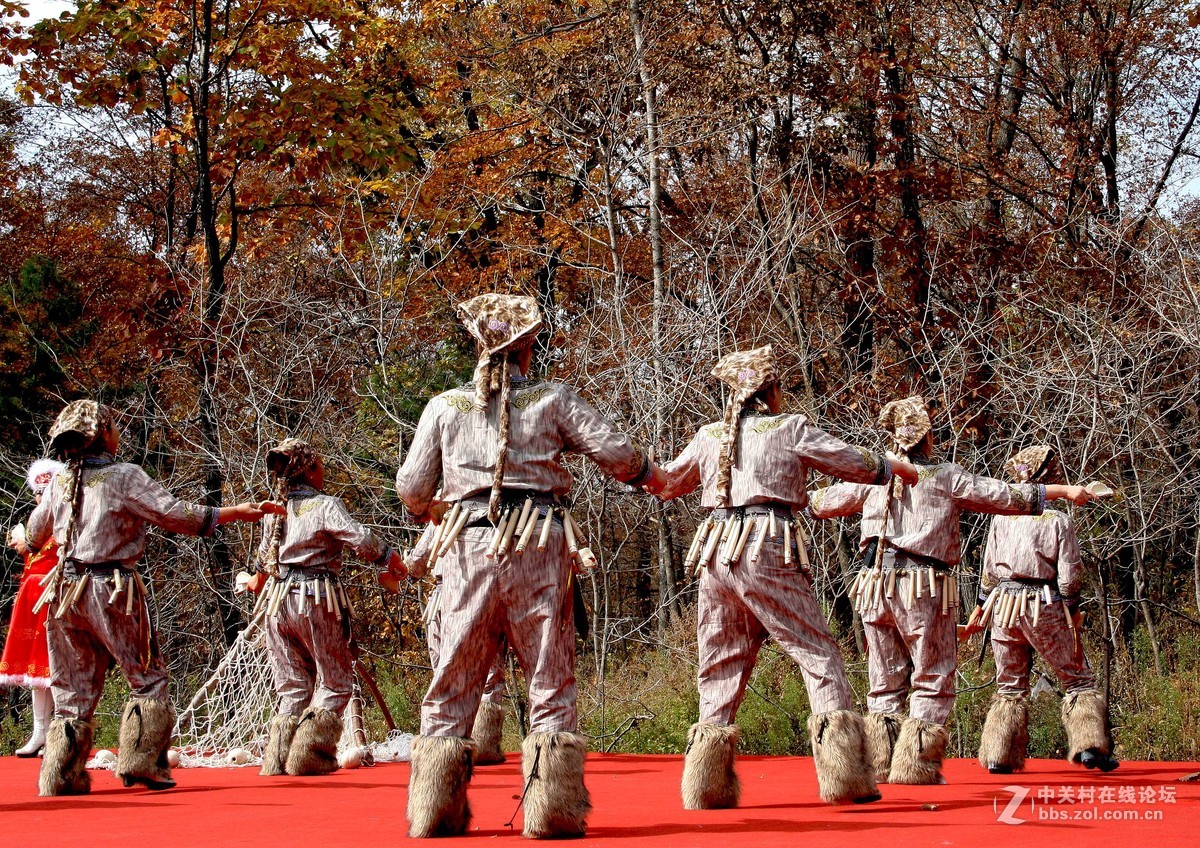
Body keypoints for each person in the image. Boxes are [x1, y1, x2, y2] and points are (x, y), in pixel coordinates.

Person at [395, 293, 663, 839]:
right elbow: (615, 453)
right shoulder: (553, 399)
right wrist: (648, 474)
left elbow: (410, 488)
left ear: (478, 344)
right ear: (526, 346)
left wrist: (439, 509)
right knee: (549, 675)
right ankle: (552, 812)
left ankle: (433, 812)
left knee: (453, 677)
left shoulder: (444, 407)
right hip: (538, 545)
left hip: (466, 546)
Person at [657, 346, 918, 809]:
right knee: (816, 651)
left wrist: (630, 465)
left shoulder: (709, 435)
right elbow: (848, 460)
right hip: (765, 542)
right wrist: (891, 466)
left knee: (721, 659)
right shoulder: (788, 427)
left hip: (715, 547)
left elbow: (667, 482)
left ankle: (705, 784)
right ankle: (845, 777)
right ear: (769, 390)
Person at [808, 396, 1094, 785]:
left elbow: (822, 504)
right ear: (926, 437)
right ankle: (914, 769)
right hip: (923, 586)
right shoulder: (944, 476)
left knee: (885, 678)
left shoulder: (875, 476)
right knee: (933, 674)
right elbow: (1005, 496)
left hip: (873, 585)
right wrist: (1063, 491)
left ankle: (881, 763)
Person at [24, 400, 278, 796]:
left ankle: (60, 774)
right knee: (146, 676)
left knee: (71, 691)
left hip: (63, 593)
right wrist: (236, 512)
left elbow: (33, 535)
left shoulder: (60, 481)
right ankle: (143, 763)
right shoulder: (123, 477)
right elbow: (177, 515)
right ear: (103, 434)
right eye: (114, 426)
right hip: (112, 590)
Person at [246, 438, 405, 777]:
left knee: (292, 685)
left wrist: (254, 581)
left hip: (277, 603)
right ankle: (309, 753)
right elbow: (360, 539)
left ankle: (276, 759)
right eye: (320, 464)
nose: (324, 470)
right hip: (315, 599)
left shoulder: (274, 510)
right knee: (335, 683)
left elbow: (263, 563)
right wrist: (390, 557)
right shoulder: (325, 505)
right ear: (311, 470)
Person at [967, 445, 1117, 773]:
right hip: (1043, 604)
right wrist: (1072, 607)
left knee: (1010, 681)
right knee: (1076, 676)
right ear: (1045, 476)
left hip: (1004, 606)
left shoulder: (1002, 519)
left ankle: (999, 755)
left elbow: (989, 569)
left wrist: (981, 605)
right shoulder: (1058, 520)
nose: (1059, 473)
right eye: (1054, 470)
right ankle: (1090, 746)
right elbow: (1070, 574)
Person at [2, 459, 64, 756]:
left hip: (59, 598)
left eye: (47, 492)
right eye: (38, 493)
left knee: (58, 668)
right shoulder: (36, 520)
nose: (41, 499)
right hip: (33, 598)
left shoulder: (67, 518)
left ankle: (60, 733)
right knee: (37, 671)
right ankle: (40, 731)